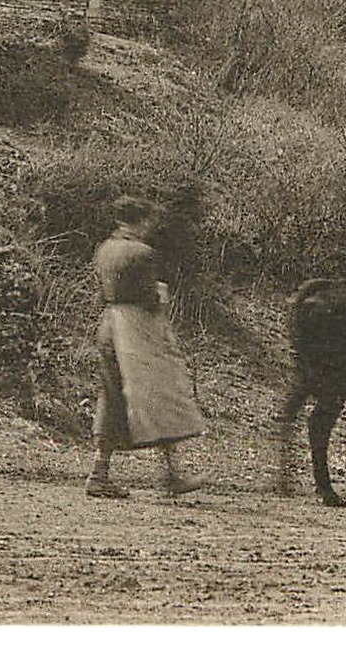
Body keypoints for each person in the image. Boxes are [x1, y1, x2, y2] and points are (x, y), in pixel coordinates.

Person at [86, 194, 208, 499]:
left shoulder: (105, 249)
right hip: (136, 330)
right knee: (158, 395)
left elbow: (101, 292)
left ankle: (99, 472)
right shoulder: (142, 253)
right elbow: (149, 298)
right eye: (149, 221)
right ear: (140, 220)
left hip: (108, 326)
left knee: (111, 396)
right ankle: (170, 475)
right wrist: (161, 293)